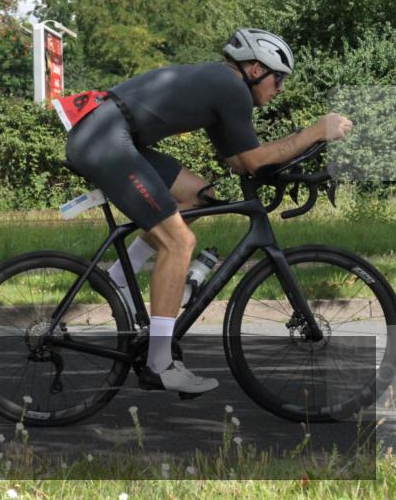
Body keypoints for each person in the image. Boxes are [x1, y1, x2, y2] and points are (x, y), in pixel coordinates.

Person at [63, 28, 354, 395]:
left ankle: (118, 278)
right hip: (106, 140)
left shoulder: (221, 87)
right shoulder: (231, 88)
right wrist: (316, 131)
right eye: (278, 77)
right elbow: (253, 160)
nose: (280, 88)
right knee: (179, 243)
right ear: (253, 69)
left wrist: (293, 167)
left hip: (108, 134)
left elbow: (242, 164)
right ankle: (158, 364)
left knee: (199, 194)